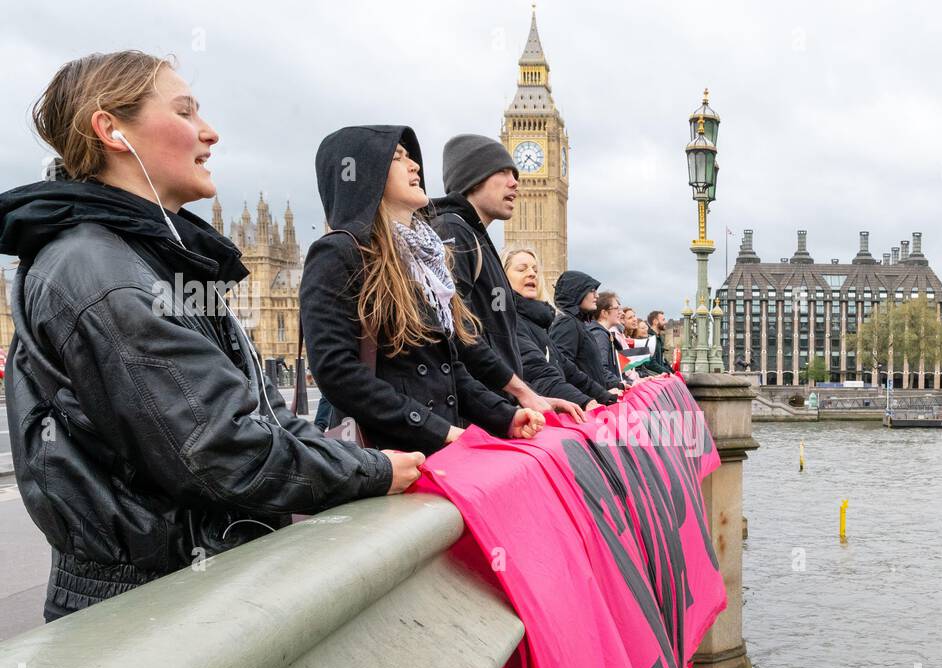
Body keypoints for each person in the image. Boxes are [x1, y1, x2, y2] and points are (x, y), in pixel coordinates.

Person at [0, 52, 424, 621]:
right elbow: (220, 450)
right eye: (184, 111)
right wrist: (371, 471)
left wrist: (363, 460)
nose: (210, 131)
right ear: (112, 131)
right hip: (144, 607)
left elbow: (263, 417)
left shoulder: (155, 258)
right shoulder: (98, 272)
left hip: (197, 582)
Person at [300, 125, 544, 453]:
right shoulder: (340, 252)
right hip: (386, 458)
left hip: (435, 450)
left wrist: (506, 416)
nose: (415, 165)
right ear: (365, 173)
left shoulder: (423, 262)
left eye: (410, 157)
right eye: (397, 158)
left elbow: (451, 369)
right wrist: (436, 429)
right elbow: (336, 370)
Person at [429, 135, 579, 419]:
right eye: (503, 172)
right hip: (469, 419)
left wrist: (525, 397)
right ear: (473, 178)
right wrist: (520, 395)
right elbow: (460, 336)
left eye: (516, 174)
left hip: (493, 409)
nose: (515, 183)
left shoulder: (475, 237)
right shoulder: (454, 233)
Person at [503, 248, 617, 409]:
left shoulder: (537, 323)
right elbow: (541, 375)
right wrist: (586, 402)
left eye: (535, 270)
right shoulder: (510, 321)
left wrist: (606, 397)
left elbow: (568, 369)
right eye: (522, 269)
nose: (532, 274)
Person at [551, 270, 621, 397]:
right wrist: (598, 395)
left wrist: (618, 384)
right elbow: (565, 370)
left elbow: (594, 369)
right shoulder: (567, 322)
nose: (597, 296)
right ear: (576, 292)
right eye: (592, 290)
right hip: (584, 407)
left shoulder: (577, 323)